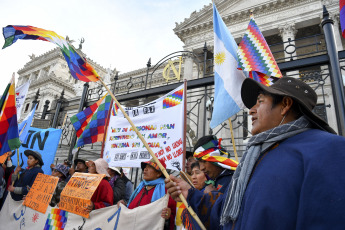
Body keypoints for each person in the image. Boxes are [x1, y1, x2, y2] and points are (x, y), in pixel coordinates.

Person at [166, 77, 345, 230]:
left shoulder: (328, 149)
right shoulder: (257, 158)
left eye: (260, 101)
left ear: (285, 105)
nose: (251, 110)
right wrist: (190, 192)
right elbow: (230, 215)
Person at [118, 159, 176, 230]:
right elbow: (132, 208)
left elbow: (173, 214)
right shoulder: (141, 187)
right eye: (145, 167)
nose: (145, 169)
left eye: (150, 167)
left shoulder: (166, 190)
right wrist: (125, 205)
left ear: (159, 173)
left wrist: (168, 216)